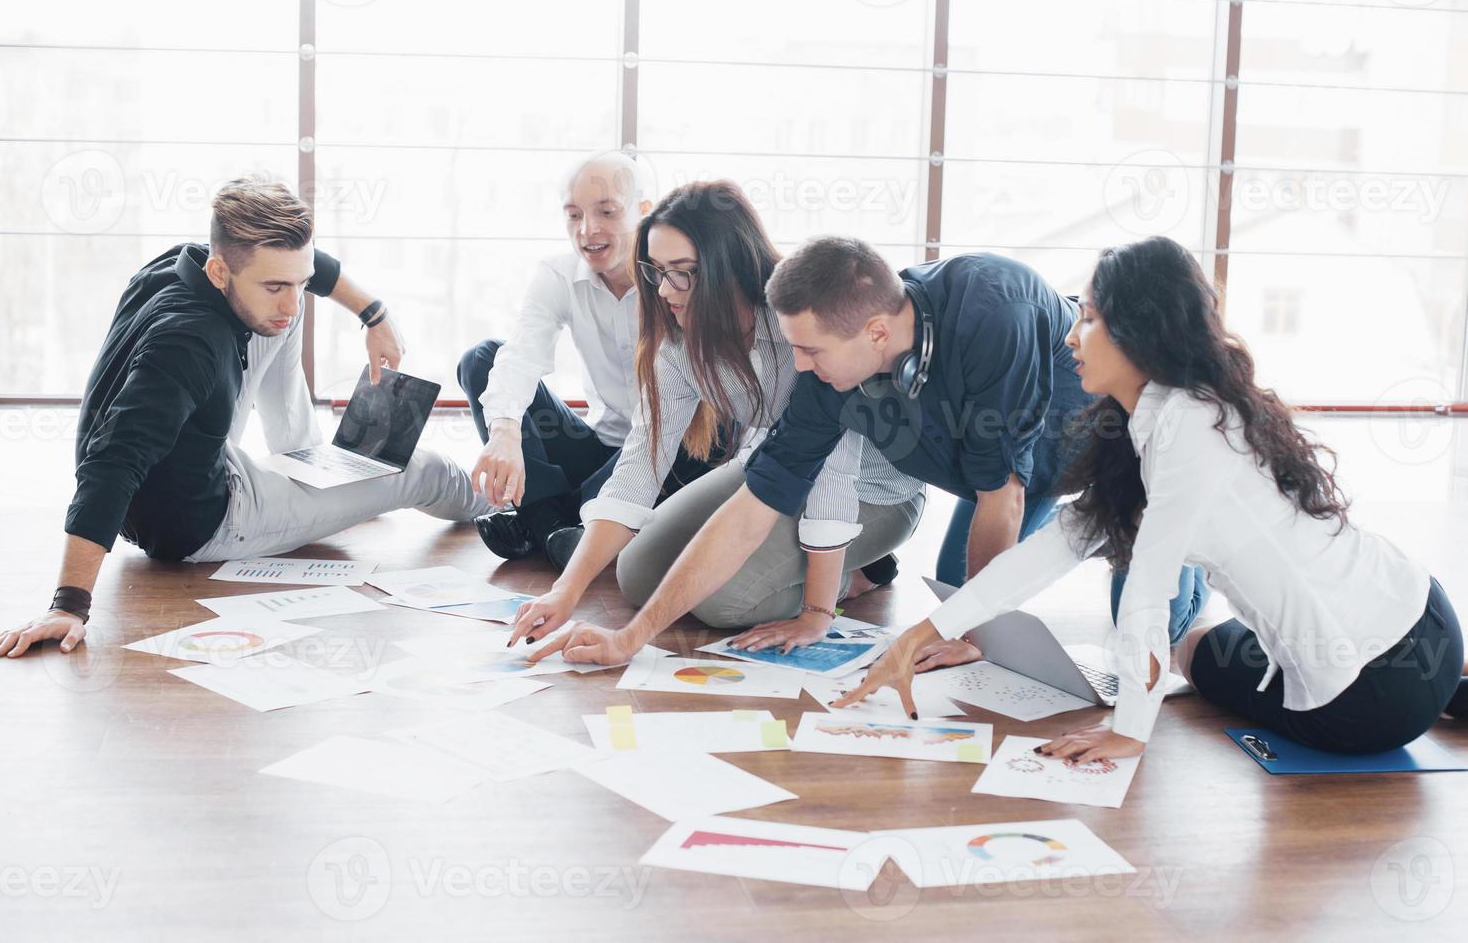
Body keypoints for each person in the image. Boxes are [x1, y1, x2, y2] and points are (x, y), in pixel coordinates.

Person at [838, 235, 1464, 760]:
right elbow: (1054, 547)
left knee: (1189, 654)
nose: (1072, 339)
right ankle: (1451, 688)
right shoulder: (1157, 413)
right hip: (1415, 603)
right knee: (1194, 649)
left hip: (1371, 694)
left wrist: (1128, 731)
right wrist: (917, 634)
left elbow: (1149, 590)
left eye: (1088, 318)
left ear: (1137, 332)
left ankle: (1442, 692)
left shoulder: (1191, 428)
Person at [531, 236, 1203, 667]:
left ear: (876, 331)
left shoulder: (990, 305)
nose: (795, 365)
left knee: (1139, 632)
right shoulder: (832, 371)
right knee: (956, 592)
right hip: (1007, 476)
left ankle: (1192, 559)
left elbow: (1005, 496)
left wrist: (964, 632)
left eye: (808, 350)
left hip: (1110, 459)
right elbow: (753, 508)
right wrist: (630, 637)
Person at [0, 176, 488, 659]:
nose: (290, 301)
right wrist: (69, 606)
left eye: (299, 282)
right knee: (426, 470)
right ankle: (508, 501)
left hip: (183, 463)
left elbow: (302, 273)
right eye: (276, 286)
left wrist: (373, 315)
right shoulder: (187, 345)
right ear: (221, 273)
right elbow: (112, 463)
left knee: (283, 313)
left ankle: (309, 462)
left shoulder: (187, 263)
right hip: (207, 520)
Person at [513, 181, 924, 652]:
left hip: (868, 491)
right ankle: (807, 567)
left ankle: (860, 569)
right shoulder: (678, 346)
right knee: (637, 573)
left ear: (730, 268)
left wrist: (816, 613)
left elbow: (833, 474)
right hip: (770, 471)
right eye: (658, 271)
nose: (665, 290)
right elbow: (637, 469)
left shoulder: (800, 328)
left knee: (724, 604)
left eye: (682, 272)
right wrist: (564, 591)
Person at [458, 152, 714, 570]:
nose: (587, 230)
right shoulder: (559, 275)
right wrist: (503, 431)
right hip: (600, 449)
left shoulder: (675, 278)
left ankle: (542, 523)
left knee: (699, 422)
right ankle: (563, 528)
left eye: (607, 212)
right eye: (573, 215)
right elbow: (521, 353)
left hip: (669, 451)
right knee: (482, 358)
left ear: (643, 212)